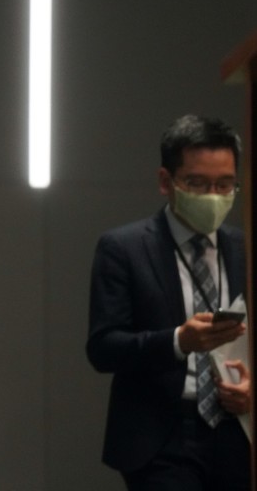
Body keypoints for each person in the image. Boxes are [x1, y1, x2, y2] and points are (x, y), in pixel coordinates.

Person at [86, 114, 253, 490]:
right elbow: (103, 348)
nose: (213, 195)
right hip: (164, 436)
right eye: (197, 183)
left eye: (225, 184)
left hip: (237, 432)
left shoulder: (246, 248)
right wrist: (178, 341)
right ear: (167, 181)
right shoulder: (124, 248)